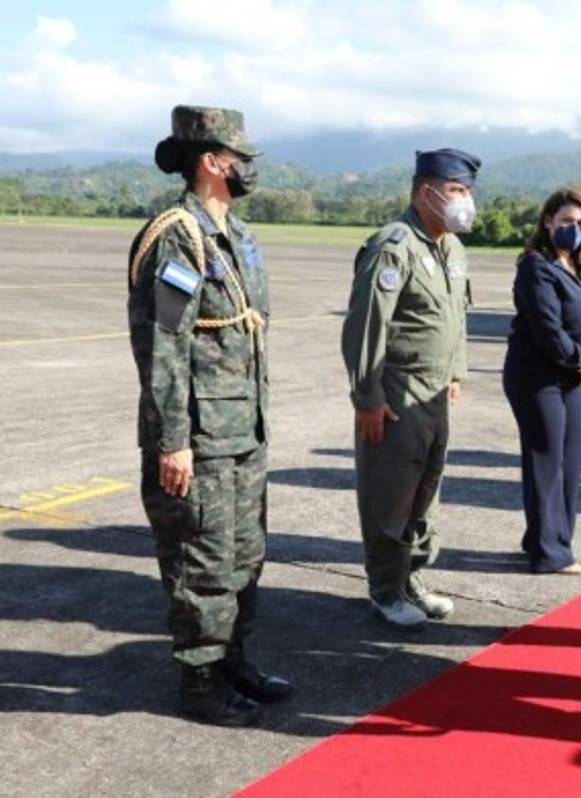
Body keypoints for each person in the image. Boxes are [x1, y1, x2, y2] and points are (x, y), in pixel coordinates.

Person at [127, 105, 291, 727]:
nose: (247, 168)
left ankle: (232, 662)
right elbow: (164, 345)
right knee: (202, 562)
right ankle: (198, 682)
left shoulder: (237, 236)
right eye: (239, 157)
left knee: (245, 556)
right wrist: (173, 441)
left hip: (243, 432)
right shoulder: (176, 233)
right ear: (210, 162)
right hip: (198, 438)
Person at [341, 148, 480, 628]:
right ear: (427, 192)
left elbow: (456, 317)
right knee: (390, 494)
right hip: (397, 394)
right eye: (458, 190)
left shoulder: (452, 249)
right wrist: (368, 398)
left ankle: (412, 578)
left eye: (468, 191)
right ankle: (384, 589)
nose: (466, 201)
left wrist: (456, 371)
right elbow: (365, 328)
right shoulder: (393, 246)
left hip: (435, 395)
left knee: (426, 493)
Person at [503, 189, 581, 574]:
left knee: (571, 461)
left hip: (571, 376)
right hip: (538, 376)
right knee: (546, 460)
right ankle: (551, 552)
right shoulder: (536, 266)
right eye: (565, 221)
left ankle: (545, 537)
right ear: (547, 221)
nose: (573, 229)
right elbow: (548, 328)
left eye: (580, 224)